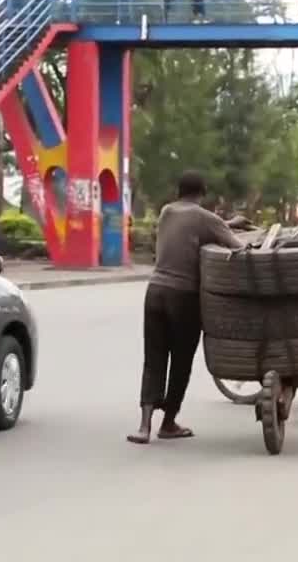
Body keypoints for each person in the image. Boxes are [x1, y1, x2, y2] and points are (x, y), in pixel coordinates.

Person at [127, 171, 249, 444]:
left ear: (178, 191)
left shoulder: (166, 212)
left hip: (155, 292)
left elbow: (193, 229)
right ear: (202, 192)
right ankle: (168, 423)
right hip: (183, 297)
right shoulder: (205, 217)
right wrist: (233, 229)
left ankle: (144, 427)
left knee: (154, 359)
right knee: (181, 362)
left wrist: (226, 223)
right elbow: (236, 245)